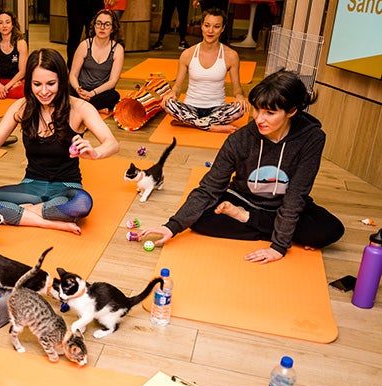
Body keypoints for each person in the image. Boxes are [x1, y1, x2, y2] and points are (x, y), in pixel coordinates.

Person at [140, 70, 345, 264]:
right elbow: (209, 188)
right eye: (257, 109)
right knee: (200, 219)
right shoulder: (240, 139)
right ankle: (277, 227)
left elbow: (296, 195)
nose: (259, 118)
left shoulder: (312, 138)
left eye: (270, 113)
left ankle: (247, 218)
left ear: (291, 111)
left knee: (331, 230)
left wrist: (278, 246)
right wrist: (172, 226)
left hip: (283, 204)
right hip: (243, 198)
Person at [0, 48, 119, 235]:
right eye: (37, 84)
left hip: (66, 189)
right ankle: (50, 222)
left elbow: (112, 143)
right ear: (28, 83)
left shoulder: (80, 108)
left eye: (51, 83)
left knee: (82, 203)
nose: (44, 91)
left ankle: (23, 213)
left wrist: (96, 153)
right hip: (30, 186)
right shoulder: (21, 107)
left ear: (61, 81)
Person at [161, 8, 247, 133]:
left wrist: (239, 96)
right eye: (207, 25)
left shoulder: (231, 56)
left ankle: (191, 122)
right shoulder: (187, 54)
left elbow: (237, 89)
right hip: (190, 107)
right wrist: (172, 94)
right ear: (201, 26)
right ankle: (211, 126)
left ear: (223, 28)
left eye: (216, 27)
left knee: (241, 108)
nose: (210, 31)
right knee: (168, 104)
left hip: (217, 109)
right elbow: (177, 87)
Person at [69, 9, 125, 113]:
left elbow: (113, 81)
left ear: (113, 28)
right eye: (99, 23)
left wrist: (92, 93)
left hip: (100, 92)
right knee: (64, 91)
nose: (102, 27)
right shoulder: (84, 45)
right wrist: (78, 89)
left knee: (114, 96)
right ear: (94, 26)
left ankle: (79, 106)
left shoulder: (117, 49)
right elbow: (73, 74)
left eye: (107, 24)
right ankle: (95, 108)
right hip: (81, 90)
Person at [66, 0, 105, 67]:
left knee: (94, 36)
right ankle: (72, 68)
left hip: (95, 3)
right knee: (74, 36)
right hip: (75, 4)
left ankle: (93, 66)